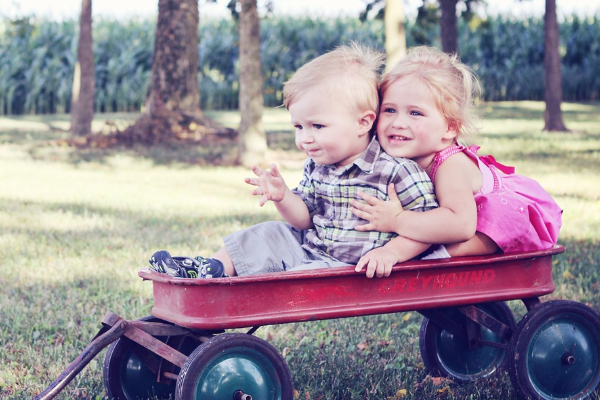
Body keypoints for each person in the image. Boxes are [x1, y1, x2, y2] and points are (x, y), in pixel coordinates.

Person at [149, 43, 441, 280]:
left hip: (348, 269)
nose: (305, 139)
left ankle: (231, 290)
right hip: (311, 249)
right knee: (268, 232)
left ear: (363, 122)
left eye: (317, 127)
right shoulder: (318, 164)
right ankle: (209, 270)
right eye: (298, 127)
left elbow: (428, 228)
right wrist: (283, 197)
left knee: (294, 280)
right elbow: (304, 219)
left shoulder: (397, 171)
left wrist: (392, 252)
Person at [351, 46, 562, 257]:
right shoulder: (396, 155)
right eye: (389, 110)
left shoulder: (450, 166)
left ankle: (437, 256)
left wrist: (397, 221)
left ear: (450, 127)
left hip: (500, 220)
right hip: (458, 217)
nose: (398, 122)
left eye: (415, 113)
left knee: (472, 233)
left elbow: (460, 225)